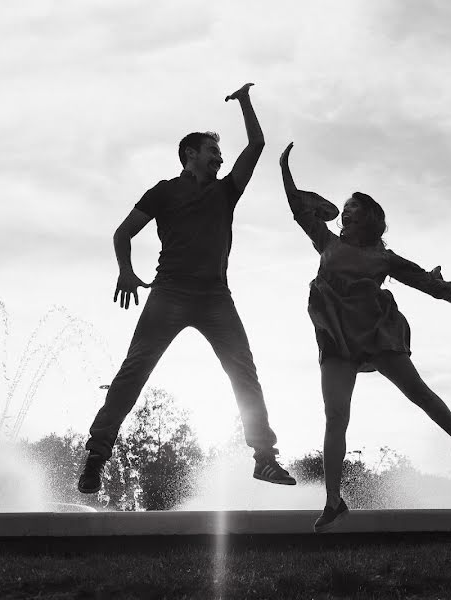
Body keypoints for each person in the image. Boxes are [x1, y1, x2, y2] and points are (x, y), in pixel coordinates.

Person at [77, 84, 296, 494]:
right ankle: (95, 458)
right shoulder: (163, 192)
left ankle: (264, 458)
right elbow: (123, 233)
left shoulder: (226, 190)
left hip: (215, 296)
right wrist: (126, 271)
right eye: (213, 150)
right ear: (190, 155)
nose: (220, 157)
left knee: (242, 370)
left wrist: (245, 101)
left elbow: (258, 143)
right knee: (133, 372)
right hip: (170, 293)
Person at [279, 142, 451, 533]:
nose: (344, 212)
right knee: (335, 417)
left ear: (368, 219)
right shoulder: (327, 242)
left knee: (420, 393)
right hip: (336, 338)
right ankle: (333, 500)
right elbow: (297, 207)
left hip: (376, 333)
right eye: (344, 208)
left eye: (352, 209)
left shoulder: (384, 257)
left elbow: (428, 284)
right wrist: (285, 168)